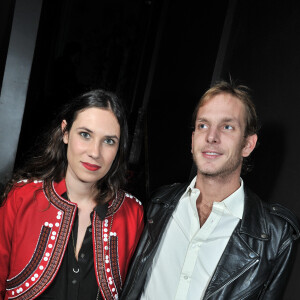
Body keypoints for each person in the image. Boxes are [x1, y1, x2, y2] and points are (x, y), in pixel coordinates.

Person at [121, 81, 300, 300]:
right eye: (203, 125)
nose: (211, 137)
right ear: (193, 139)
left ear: (248, 145)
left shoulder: (275, 237)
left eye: (227, 127)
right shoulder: (157, 204)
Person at [0, 89, 144, 300]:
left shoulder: (133, 213)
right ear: (65, 132)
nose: (95, 152)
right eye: (85, 135)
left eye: (109, 141)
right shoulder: (22, 197)